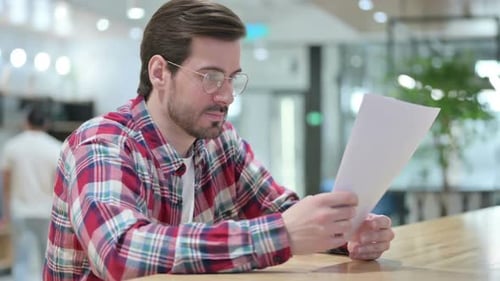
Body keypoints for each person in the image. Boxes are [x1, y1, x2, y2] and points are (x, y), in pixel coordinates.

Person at [43, 0, 395, 280]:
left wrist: (343, 233)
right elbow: (119, 251)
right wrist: (281, 235)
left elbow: (279, 210)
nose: (226, 96)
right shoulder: (103, 143)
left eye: (232, 78)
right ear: (159, 72)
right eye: (211, 77)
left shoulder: (219, 141)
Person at [1, 105, 62, 281]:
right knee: (48, 260)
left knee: (20, 259)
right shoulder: (55, 147)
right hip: (47, 211)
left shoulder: (12, 147)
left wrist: (6, 212)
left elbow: (5, 184)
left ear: (26, 122)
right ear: (45, 124)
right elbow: (59, 186)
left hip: (19, 210)